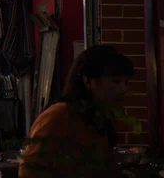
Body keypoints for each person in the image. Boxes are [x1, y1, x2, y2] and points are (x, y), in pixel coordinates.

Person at [19, 45, 134, 178]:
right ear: (88, 81)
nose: (123, 89)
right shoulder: (60, 114)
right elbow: (29, 171)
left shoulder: (99, 117)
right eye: (116, 81)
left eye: (126, 82)